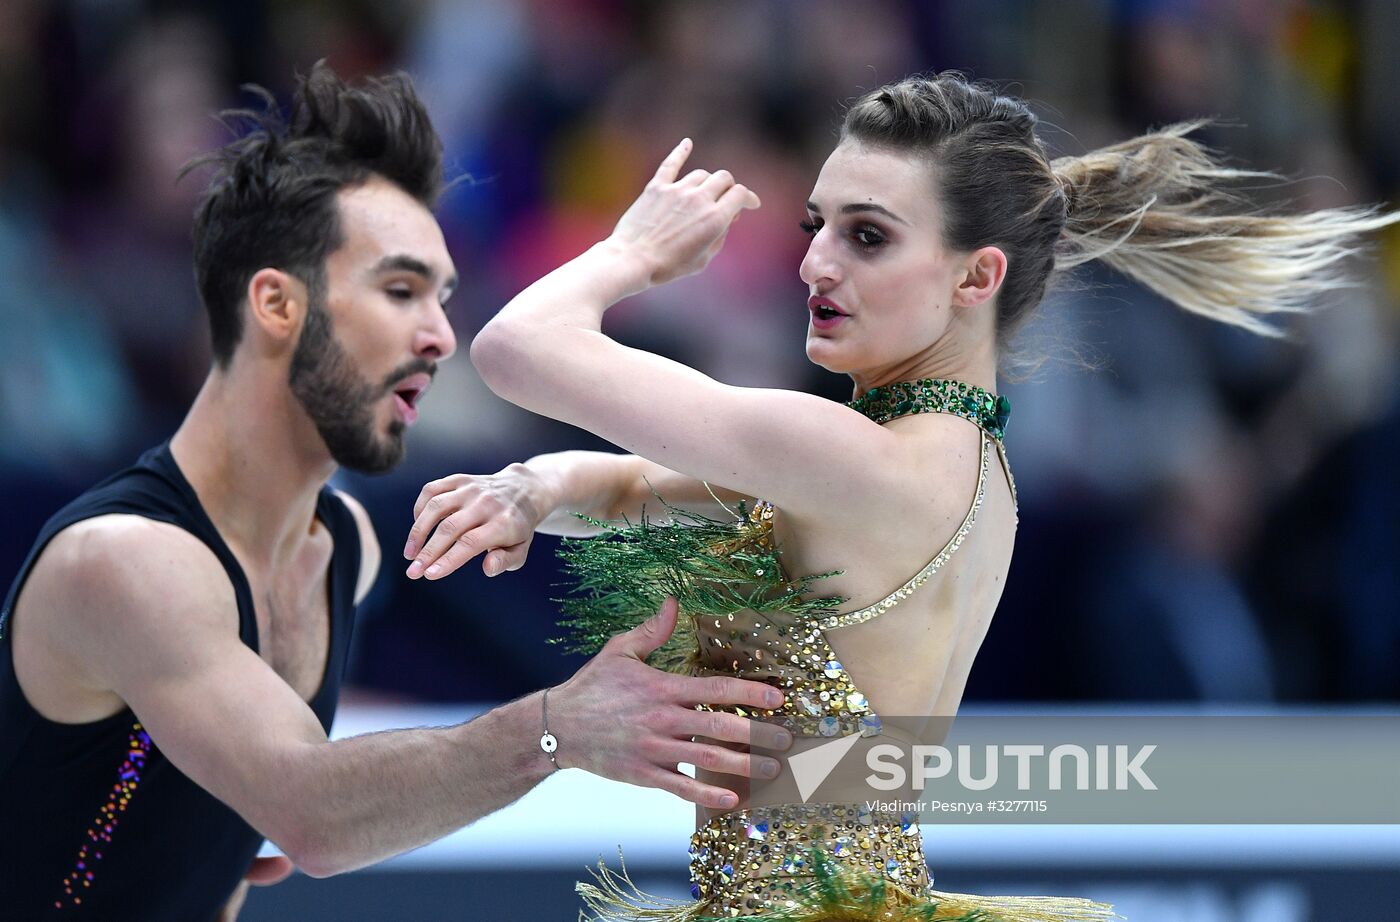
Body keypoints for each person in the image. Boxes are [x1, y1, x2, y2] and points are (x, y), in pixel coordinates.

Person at [408, 73, 1400, 919]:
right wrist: (529, 485)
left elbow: (514, 348)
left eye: (868, 237)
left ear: (976, 277)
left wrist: (633, 252)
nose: (814, 263)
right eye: (817, 226)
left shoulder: (859, 463)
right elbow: (634, 485)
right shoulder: (956, 465)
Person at [0, 63, 790, 922]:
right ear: (276, 305)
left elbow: (267, 828)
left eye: (443, 298)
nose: (441, 335)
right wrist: (558, 726)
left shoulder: (342, 539)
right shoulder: (125, 560)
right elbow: (315, 814)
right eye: (402, 290)